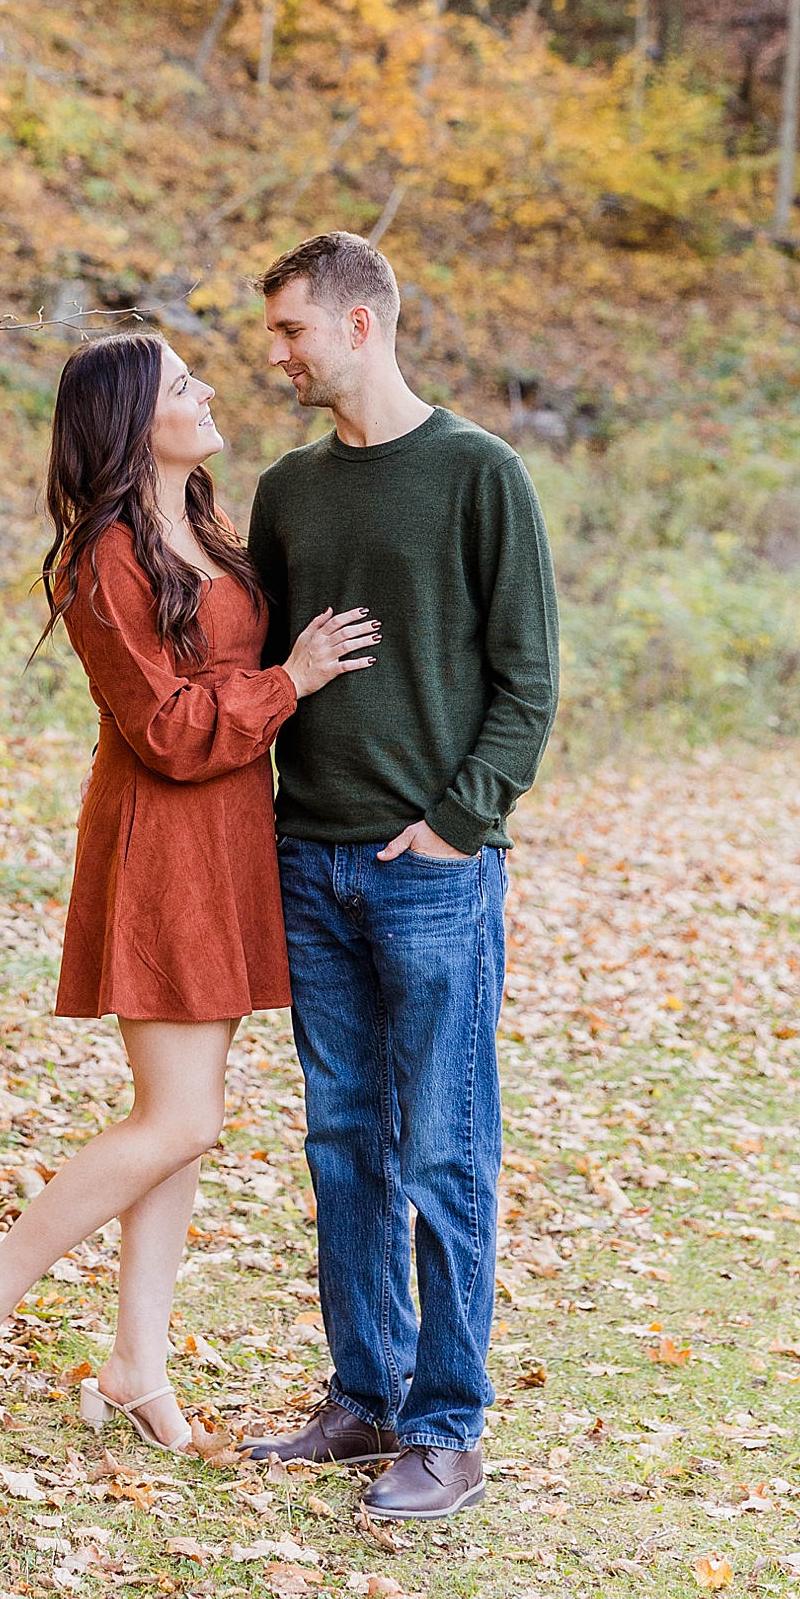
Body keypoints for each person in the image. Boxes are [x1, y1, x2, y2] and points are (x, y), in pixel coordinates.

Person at [0, 329, 378, 1447]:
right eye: (179, 383)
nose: (207, 387)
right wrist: (289, 681)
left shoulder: (206, 528)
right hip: (163, 835)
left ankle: (134, 1364)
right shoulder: (104, 555)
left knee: (185, 1128)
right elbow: (165, 728)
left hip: (227, 835)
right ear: (128, 419)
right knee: (182, 1114)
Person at [242, 233, 558, 1520]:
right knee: (342, 1143)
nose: (275, 352)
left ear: (360, 326)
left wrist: (459, 821)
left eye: (290, 330)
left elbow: (527, 678)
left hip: (430, 872)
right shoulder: (287, 491)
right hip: (307, 862)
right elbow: (267, 663)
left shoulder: (480, 474)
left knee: (441, 1148)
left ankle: (448, 1422)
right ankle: (364, 1395)